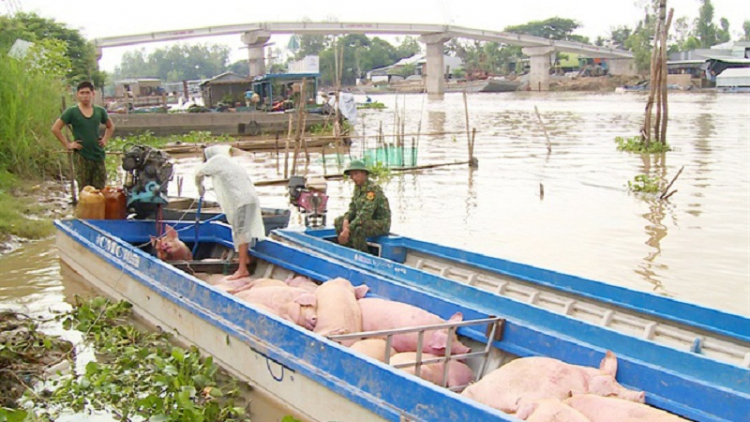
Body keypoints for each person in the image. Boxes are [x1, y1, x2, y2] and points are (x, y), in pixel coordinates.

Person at [195, 145, 265, 280]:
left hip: (241, 201)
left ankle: (242, 269)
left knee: (241, 231)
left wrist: (200, 187)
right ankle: (246, 259)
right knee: (244, 229)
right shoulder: (231, 162)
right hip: (249, 199)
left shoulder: (218, 160)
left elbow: (198, 173)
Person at [51, 81, 115, 191]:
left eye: (87, 93)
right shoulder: (72, 112)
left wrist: (105, 140)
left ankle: (98, 208)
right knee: (84, 189)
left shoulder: (100, 111)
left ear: (92, 94)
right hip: (81, 155)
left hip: (97, 155)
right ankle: (84, 208)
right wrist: (68, 144)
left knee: (100, 189)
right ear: (77, 95)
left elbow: (110, 126)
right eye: (82, 93)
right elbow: (55, 129)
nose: (85, 96)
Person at [334, 160, 391, 252]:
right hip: (364, 220)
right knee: (339, 221)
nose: (353, 178)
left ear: (364, 174)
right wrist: (346, 220)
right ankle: (348, 249)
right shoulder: (357, 188)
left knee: (358, 229)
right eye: (352, 175)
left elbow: (365, 214)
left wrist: (348, 228)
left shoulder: (372, 189)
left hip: (380, 223)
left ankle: (363, 254)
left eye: (356, 174)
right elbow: (352, 207)